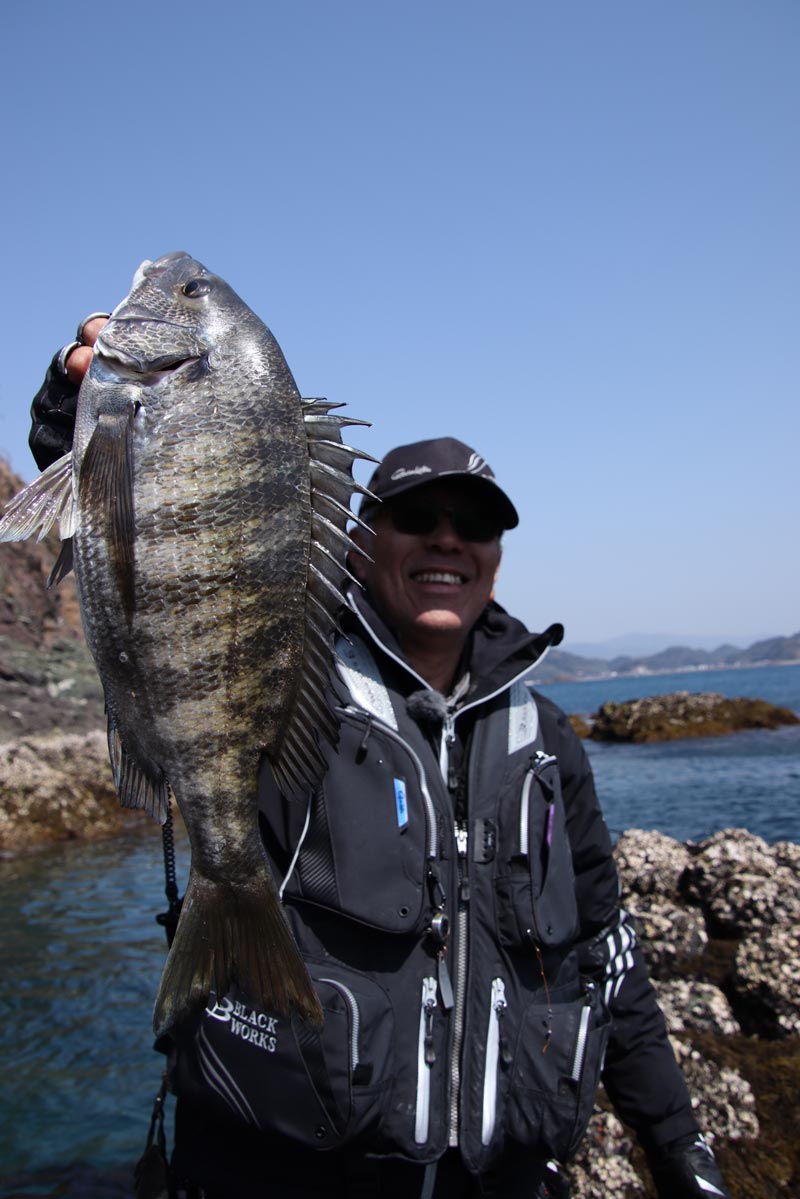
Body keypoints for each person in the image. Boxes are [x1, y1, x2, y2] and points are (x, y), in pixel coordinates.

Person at [29, 317, 732, 1199]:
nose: (447, 539)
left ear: (497, 556)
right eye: (416, 516)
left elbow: (607, 958)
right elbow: (153, 563)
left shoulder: (547, 742)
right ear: (357, 539)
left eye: (474, 522)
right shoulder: (295, 680)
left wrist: (683, 1152)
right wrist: (81, 415)